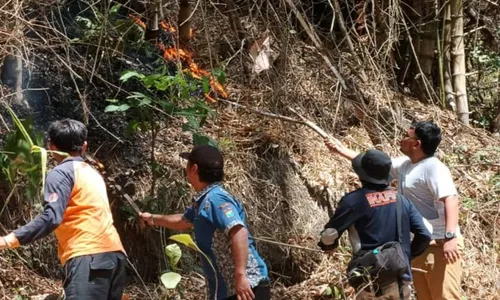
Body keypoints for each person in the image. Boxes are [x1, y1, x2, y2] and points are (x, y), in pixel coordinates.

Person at [324, 121, 463, 300]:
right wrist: (340, 149)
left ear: (416, 143)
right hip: (420, 244)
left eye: (407, 135)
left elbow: (451, 198)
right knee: (425, 296)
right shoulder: (406, 164)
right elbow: (375, 166)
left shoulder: (434, 168)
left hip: (440, 245)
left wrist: (450, 237)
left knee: (444, 296)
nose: (402, 138)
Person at [0, 119, 127, 300]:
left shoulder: (61, 173)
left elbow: (51, 217)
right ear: (84, 146)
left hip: (87, 257)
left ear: (50, 146)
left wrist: (8, 240)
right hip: (114, 257)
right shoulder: (92, 173)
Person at [140, 145, 270, 300]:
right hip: (228, 290)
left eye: (187, 164)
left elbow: (239, 231)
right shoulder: (204, 202)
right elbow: (182, 221)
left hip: (247, 288)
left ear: (194, 169)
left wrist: (241, 276)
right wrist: (153, 218)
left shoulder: (216, 199)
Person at [318, 149, 431, 299]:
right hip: (400, 279)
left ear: (361, 174)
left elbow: (329, 234)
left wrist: (328, 246)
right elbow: (425, 233)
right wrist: (405, 255)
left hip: (369, 279)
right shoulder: (401, 200)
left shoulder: (353, 201)